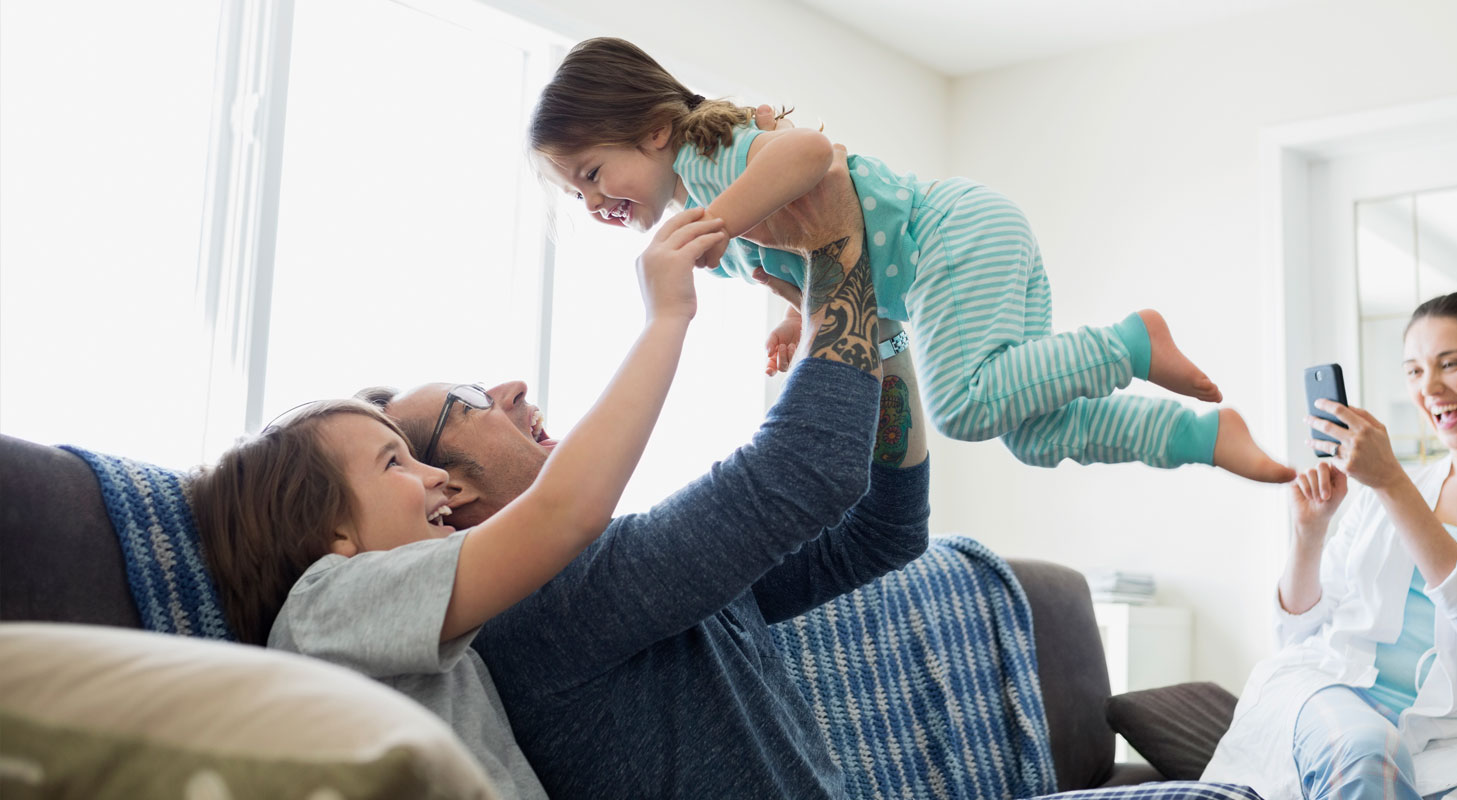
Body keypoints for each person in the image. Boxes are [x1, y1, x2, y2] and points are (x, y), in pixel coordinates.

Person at [362, 133, 936, 798]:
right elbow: (809, 467)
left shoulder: (630, 565)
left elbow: (883, 533)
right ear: (445, 487)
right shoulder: (538, 608)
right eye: (467, 404)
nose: (512, 387)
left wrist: (885, 330)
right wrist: (841, 249)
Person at [526, 36, 1294, 484]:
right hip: (943, 269)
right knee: (1029, 431)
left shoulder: (711, 158)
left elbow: (809, 153)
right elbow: (820, 264)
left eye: (592, 174)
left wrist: (727, 218)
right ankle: (1200, 437)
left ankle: (1132, 343)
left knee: (960, 408)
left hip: (950, 234)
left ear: (654, 131)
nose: (595, 204)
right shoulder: (714, 237)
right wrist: (801, 321)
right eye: (577, 196)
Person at [188, 209, 729, 799]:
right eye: (394, 463)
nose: (436, 479)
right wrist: (667, 318)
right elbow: (562, 513)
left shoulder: (419, 630)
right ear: (331, 528)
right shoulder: (322, 607)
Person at [1202, 281, 1457, 799]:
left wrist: (1390, 483)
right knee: (1367, 751)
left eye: (1450, 364)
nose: (1430, 388)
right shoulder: (1391, 488)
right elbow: (1298, 634)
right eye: (1415, 371)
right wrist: (1309, 536)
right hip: (1335, 696)